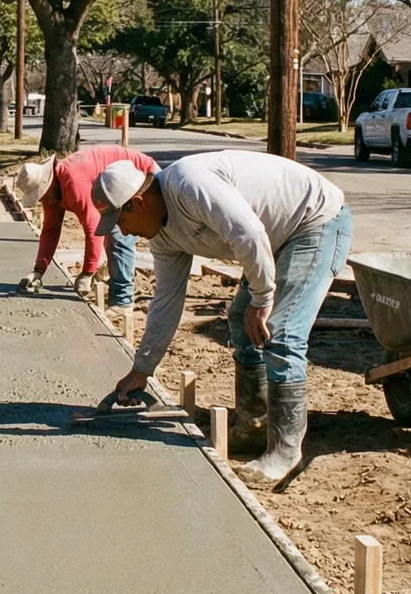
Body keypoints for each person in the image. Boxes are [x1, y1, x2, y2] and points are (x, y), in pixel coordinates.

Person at [91, 150, 352, 484]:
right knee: (242, 321)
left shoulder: (189, 185)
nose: (123, 233)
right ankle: (253, 426)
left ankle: (285, 452)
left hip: (315, 221)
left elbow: (249, 234)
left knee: (280, 330)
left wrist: (263, 299)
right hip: (274, 235)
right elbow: (166, 301)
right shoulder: (163, 236)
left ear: (138, 203)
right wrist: (142, 369)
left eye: (121, 222)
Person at [13, 146, 158, 312]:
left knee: (117, 236)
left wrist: (87, 272)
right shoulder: (52, 195)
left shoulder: (73, 182)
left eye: (40, 194)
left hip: (142, 176)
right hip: (116, 187)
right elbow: (50, 231)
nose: (41, 200)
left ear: (48, 183)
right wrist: (38, 270)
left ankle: (122, 301)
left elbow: (93, 229)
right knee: (114, 232)